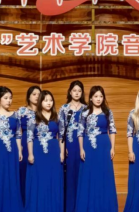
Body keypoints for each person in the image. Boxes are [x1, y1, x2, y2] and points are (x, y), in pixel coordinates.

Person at [75, 86, 118, 212]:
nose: (98, 99)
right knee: (88, 175)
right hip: (88, 146)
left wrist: (112, 147)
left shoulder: (108, 112)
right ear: (90, 98)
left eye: (101, 96)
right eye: (96, 96)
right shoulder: (84, 113)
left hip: (104, 146)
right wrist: (81, 149)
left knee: (104, 175)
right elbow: (80, 132)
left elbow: (112, 130)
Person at [0, 86, 24, 212]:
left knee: (12, 179)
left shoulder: (15, 116)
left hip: (12, 152)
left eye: (10, 98)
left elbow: (18, 135)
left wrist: (19, 150)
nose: (9, 101)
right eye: (6, 98)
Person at [25, 90, 64, 212]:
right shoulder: (33, 117)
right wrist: (30, 154)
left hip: (54, 152)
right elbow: (29, 137)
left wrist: (62, 153)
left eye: (51, 100)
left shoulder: (57, 117)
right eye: (46, 100)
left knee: (53, 180)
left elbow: (61, 136)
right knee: (39, 180)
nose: (49, 103)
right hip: (38, 152)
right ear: (40, 102)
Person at [59, 81, 86, 212]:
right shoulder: (64, 108)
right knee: (69, 176)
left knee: (83, 175)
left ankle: (82, 206)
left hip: (83, 145)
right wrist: (62, 148)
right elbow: (60, 131)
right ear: (70, 92)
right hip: (68, 145)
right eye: (74, 90)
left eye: (79, 91)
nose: (76, 93)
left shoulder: (86, 108)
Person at [18, 86, 41, 206]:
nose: (37, 96)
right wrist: (18, 147)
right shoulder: (22, 111)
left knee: (38, 172)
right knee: (24, 171)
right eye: (34, 94)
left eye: (39, 94)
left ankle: (36, 201)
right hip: (24, 142)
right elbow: (16, 130)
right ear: (28, 96)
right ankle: (24, 202)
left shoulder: (44, 111)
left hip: (39, 142)